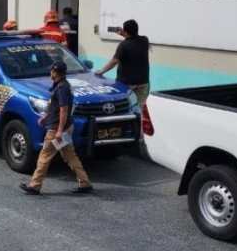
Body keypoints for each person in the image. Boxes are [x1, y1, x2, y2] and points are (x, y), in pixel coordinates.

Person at [20, 61, 93, 195]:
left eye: (52, 71)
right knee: (70, 155)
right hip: (64, 127)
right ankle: (85, 182)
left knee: (45, 155)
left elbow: (63, 110)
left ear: (55, 72)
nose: (50, 73)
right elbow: (55, 107)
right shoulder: (62, 86)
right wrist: (45, 116)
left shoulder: (62, 88)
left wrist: (59, 130)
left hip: (56, 130)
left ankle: (35, 185)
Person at [95, 19, 151, 108]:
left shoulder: (123, 45)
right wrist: (124, 34)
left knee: (125, 107)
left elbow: (114, 61)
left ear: (125, 31)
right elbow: (133, 40)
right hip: (143, 82)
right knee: (139, 107)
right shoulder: (144, 40)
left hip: (127, 83)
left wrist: (101, 71)